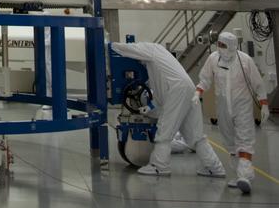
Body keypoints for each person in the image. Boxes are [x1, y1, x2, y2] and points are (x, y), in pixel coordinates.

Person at [111, 40, 224, 178]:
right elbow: (161, 97)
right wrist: (149, 107)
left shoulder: (152, 49)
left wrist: (111, 46)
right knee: (196, 135)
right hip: (188, 89)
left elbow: (132, 49)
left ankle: (159, 166)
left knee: (164, 130)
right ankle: (215, 167)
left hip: (178, 90)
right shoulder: (158, 64)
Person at [196, 31, 268, 195]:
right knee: (229, 140)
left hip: (242, 105)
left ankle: (244, 175)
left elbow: (257, 83)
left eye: (223, 45)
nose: (220, 48)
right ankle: (242, 175)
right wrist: (197, 92)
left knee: (244, 137)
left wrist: (264, 104)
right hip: (222, 106)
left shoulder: (245, 60)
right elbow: (205, 78)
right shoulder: (214, 58)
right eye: (219, 44)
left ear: (232, 46)